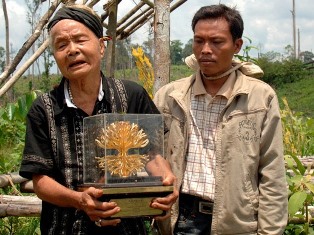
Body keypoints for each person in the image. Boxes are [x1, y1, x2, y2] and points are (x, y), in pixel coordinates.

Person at [19, 4, 177, 235]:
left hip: (127, 225)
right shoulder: (44, 109)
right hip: (65, 227)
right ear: (55, 56)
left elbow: (152, 154)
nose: (72, 50)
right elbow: (41, 179)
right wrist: (78, 199)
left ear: (101, 46)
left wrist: (165, 183)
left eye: (80, 40)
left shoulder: (132, 96)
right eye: (62, 45)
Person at [154, 4, 288, 235]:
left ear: (237, 45)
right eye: (199, 41)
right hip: (182, 218)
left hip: (236, 221)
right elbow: (151, 156)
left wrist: (270, 231)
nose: (205, 49)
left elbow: (272, 171)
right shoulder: (170, 96)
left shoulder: (259, 97)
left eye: (216, 42)